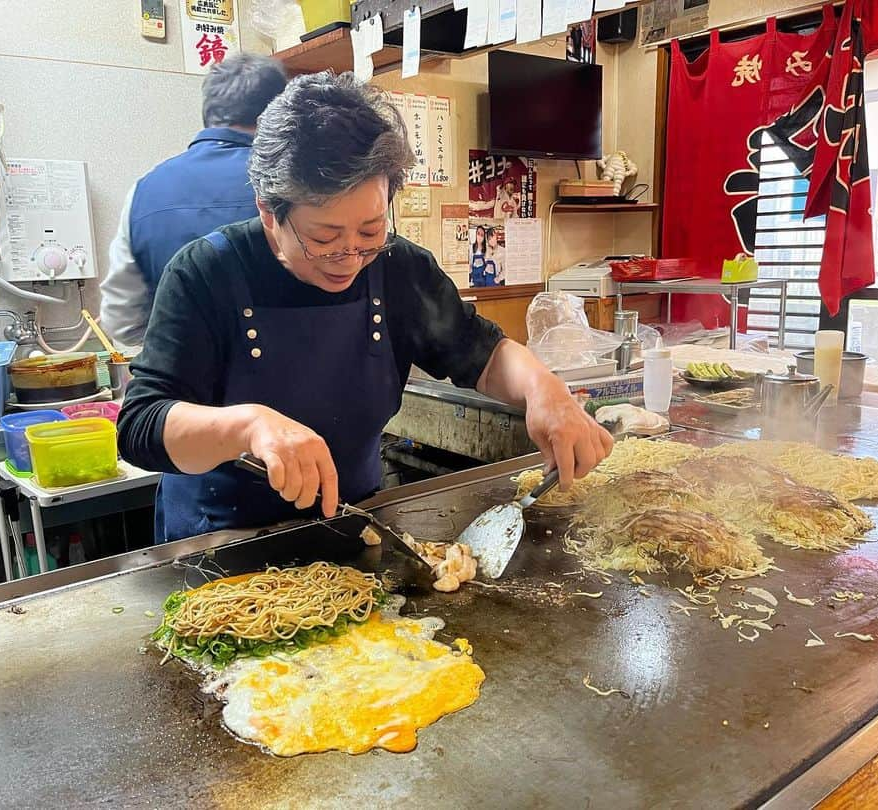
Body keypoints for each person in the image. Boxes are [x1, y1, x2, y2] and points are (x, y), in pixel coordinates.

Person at [118, 72, 613, 543]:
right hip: (219, 545)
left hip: (352, 525)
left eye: (370, 231)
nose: (350, 256)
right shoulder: (205, 273)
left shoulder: (399, 269)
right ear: (269, 213)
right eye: (324, 237)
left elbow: (481, 355)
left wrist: (544, 388)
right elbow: (141, 426)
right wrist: (249, 426)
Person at [100, 54, 287, 348]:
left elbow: (121, 322)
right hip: (286, 376)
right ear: (279, 114)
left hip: (183, 383)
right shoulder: (295, 182)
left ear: (209, 113)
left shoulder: (144, 190)